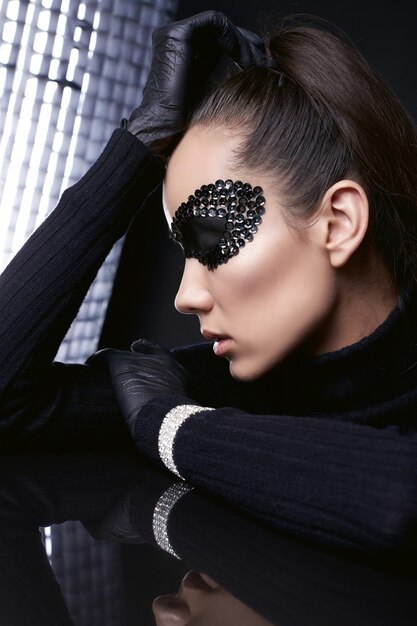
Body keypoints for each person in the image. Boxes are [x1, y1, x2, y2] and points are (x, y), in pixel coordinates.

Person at [0, 10, 417, 555]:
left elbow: (398, 499)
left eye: (212, 239)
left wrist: (171, 427)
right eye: (181, 251)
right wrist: (140, 144)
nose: (185, 295)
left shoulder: (179, 407)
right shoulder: (213, 385)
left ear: (337, 223)